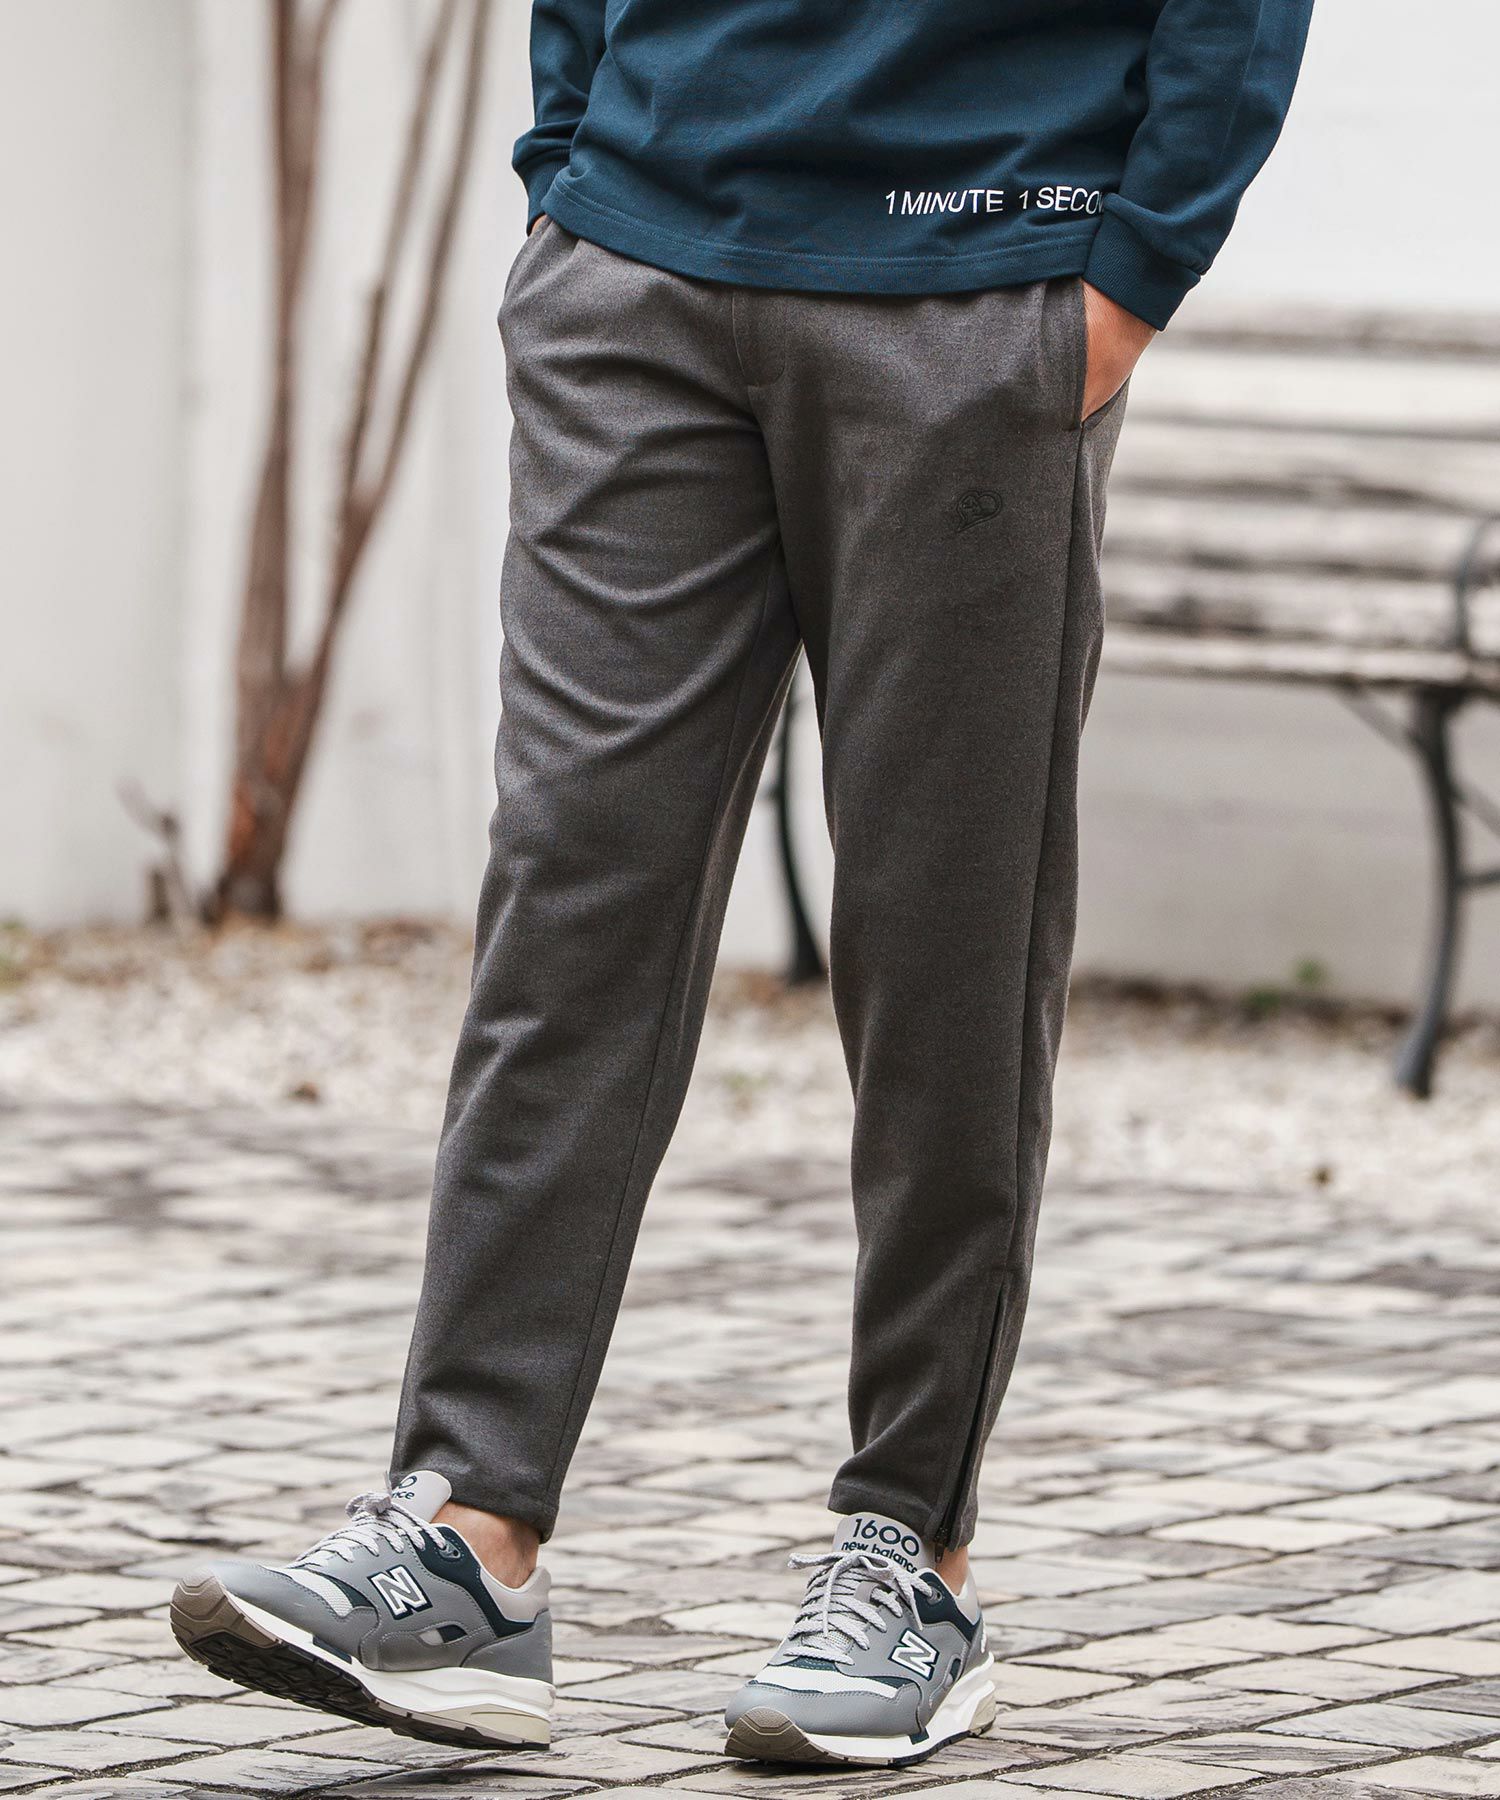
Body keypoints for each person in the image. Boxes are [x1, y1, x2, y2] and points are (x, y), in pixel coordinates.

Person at [172, 0, 1314, 1767]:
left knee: (941, 942)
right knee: (570, 902)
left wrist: (1123, 279)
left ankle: (912, 1550)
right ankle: (470, 1535)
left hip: (976, 281)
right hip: (638, 267)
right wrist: (574, 175)